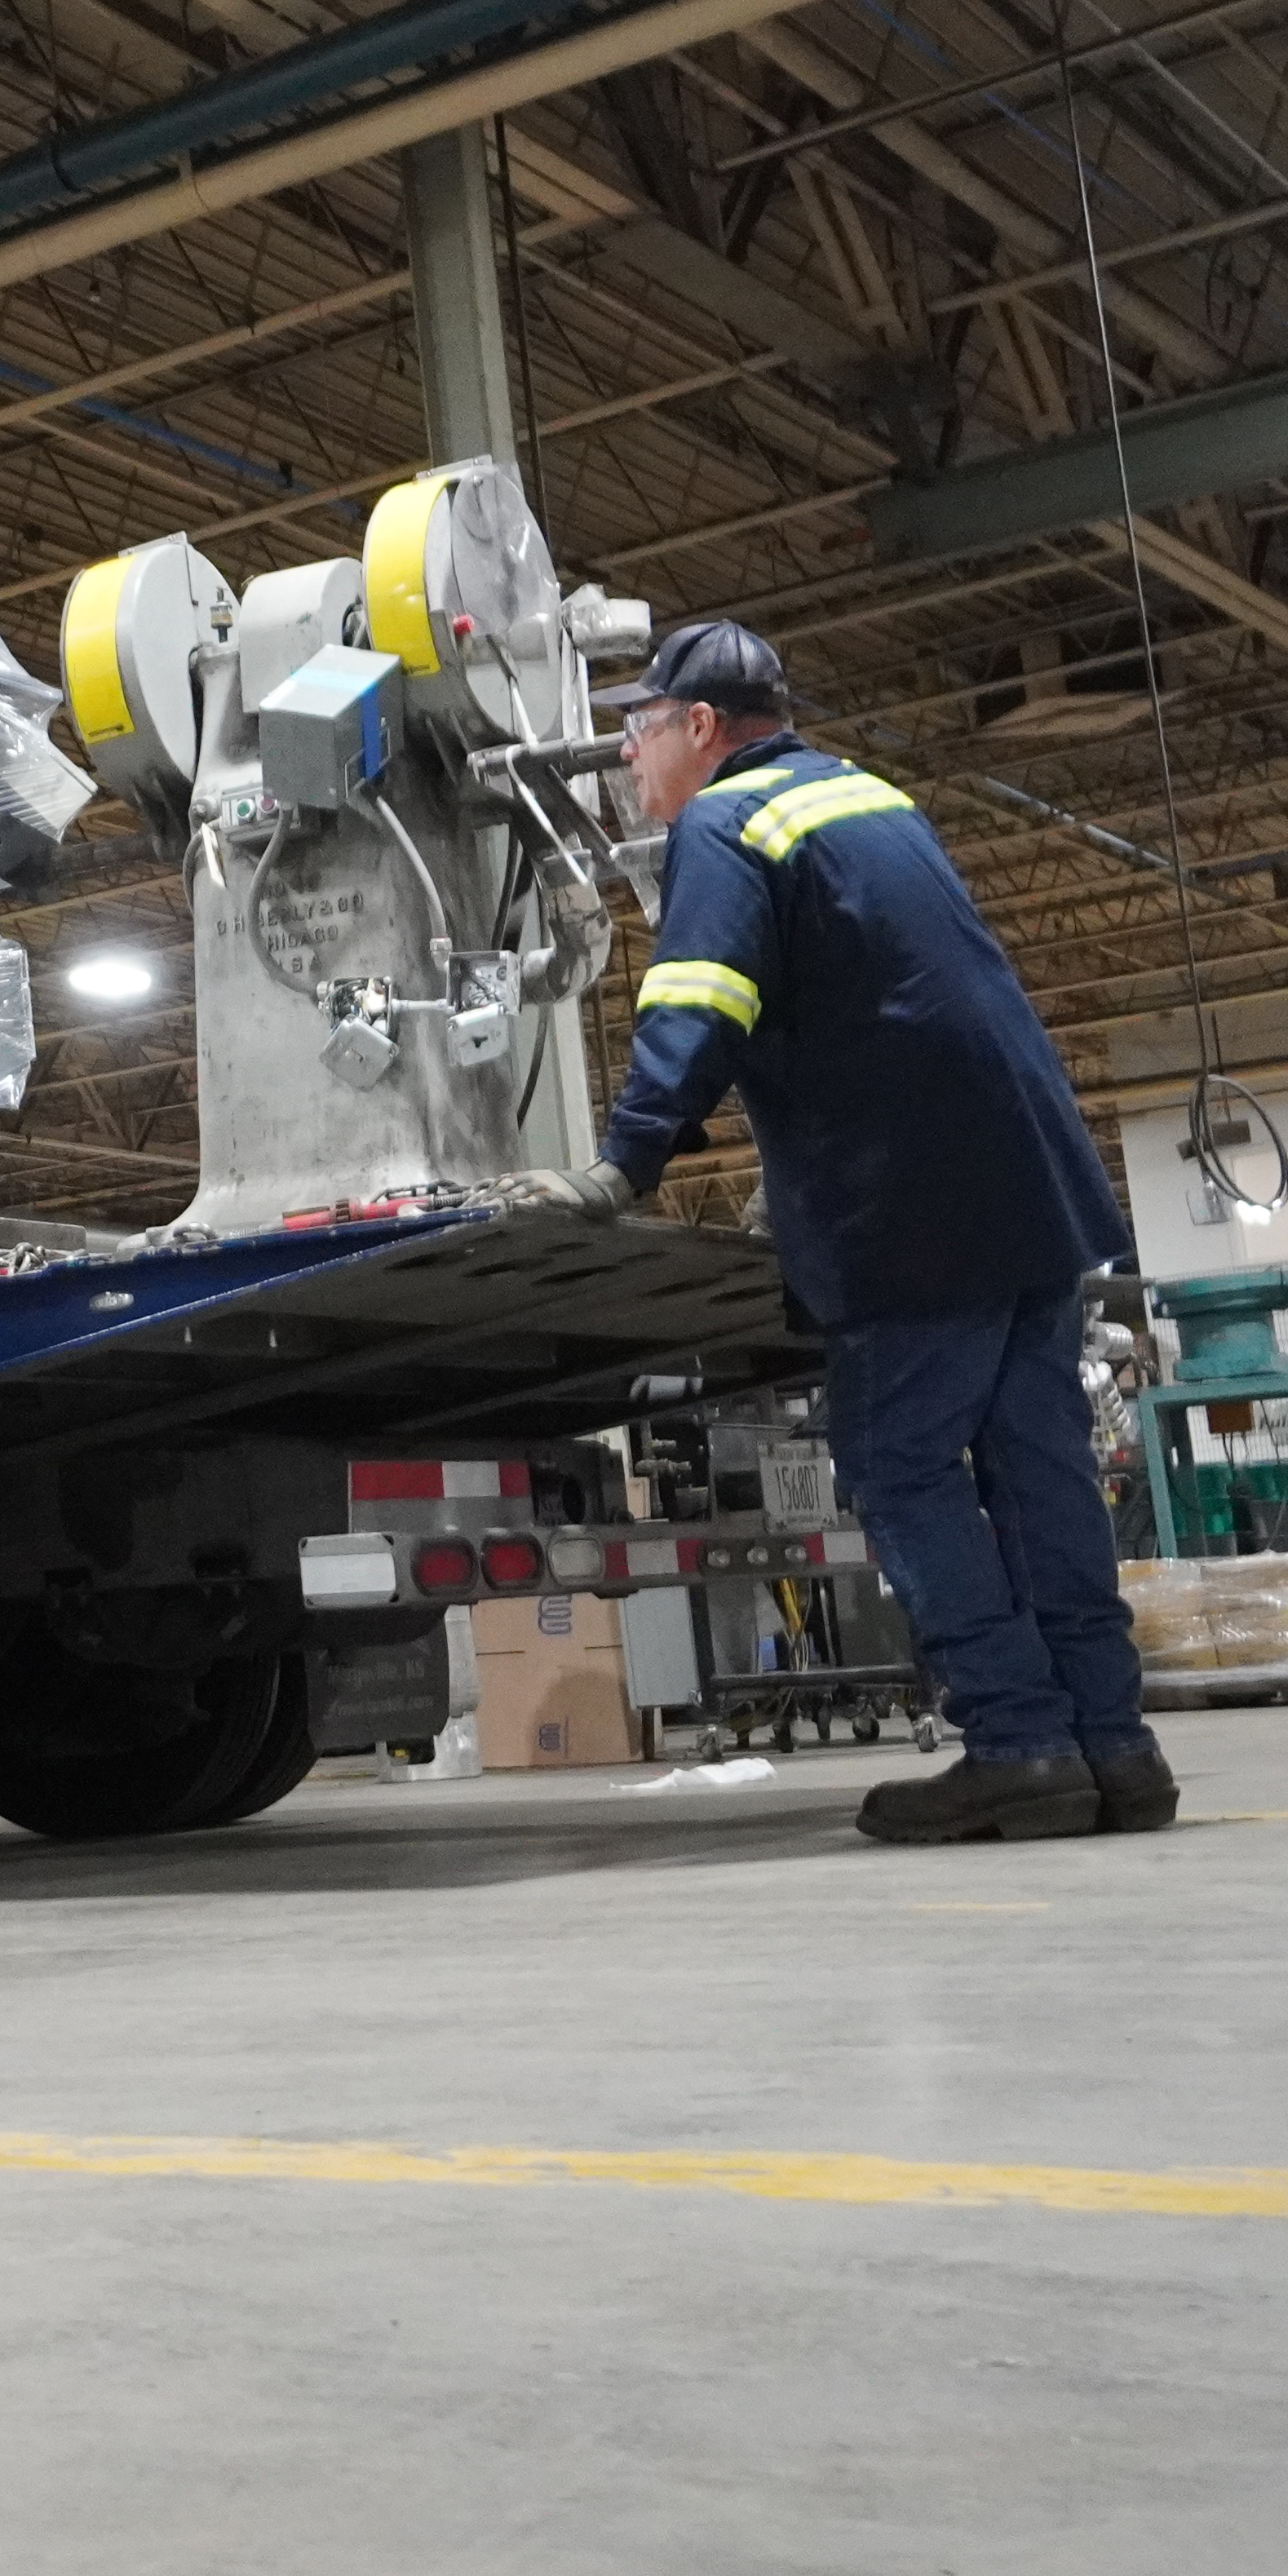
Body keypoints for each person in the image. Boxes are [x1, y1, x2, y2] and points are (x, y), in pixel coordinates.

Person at [491, 619, 1169, 1843]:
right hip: (1026, 1181)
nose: (627, 766)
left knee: (902, 1470)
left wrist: (619, 1163)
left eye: (636, 734)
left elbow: (701, 1000)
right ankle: (1113, 1747)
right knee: (1038, 1473)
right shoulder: (864, 794)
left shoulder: (722, 823)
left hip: (910, 1205)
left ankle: (1017, 1745)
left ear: (699, 728)